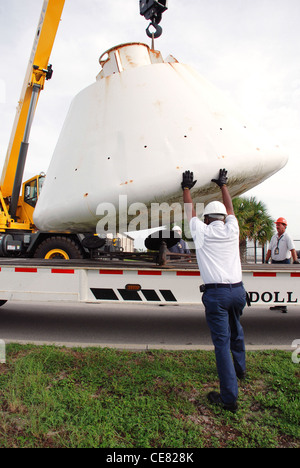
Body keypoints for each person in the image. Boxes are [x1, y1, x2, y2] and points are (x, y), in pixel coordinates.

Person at [182, 168, 246, 413]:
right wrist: (223, 185)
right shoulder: (233, 229)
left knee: (222, 344)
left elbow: (190, 214)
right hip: (238, 292)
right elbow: (230, 210)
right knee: (236, 330)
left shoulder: (203, 232)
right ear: (222, 218)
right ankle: (240, 369)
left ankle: (229, 400)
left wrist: (186, 188)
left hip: (217, 295)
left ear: (207, 219)